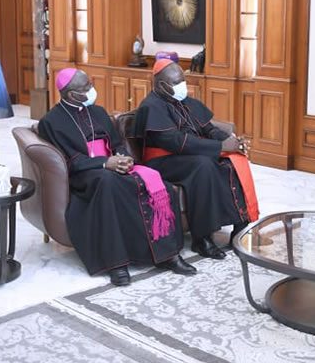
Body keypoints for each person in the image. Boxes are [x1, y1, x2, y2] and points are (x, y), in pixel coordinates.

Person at [38, 68, 196, 286]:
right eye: (86, 87)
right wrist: (104, 163)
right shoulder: (51, 121)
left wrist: (123, 157)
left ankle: (167, 255)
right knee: (108, 183)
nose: (92, 89)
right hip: (86, 174)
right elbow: (69, 161)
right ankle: (116, 264)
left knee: (159, 185)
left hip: (114, 167)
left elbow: (117, 143)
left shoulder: (99, 112)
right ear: (72, 94)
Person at [134, 59, 259, 260]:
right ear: (161, 85)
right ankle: (202, 238)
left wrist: (230, 142)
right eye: (176, 83)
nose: (182, 85)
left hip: (188, 155)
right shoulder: (151, 106)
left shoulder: (185, 102)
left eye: (182, 80)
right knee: (204, 165)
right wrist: (219, 147)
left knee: (232, 161)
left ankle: (240, 225)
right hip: (163, 161)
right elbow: (174, 141)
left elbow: (208, 128)